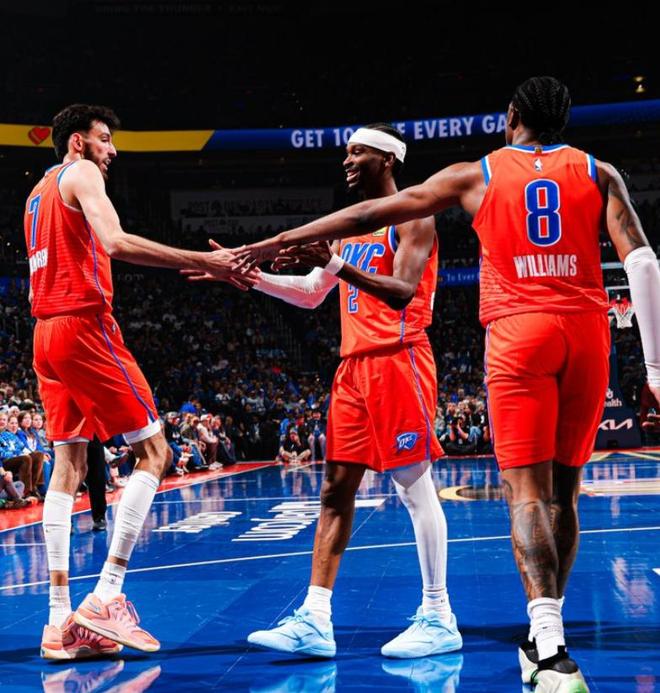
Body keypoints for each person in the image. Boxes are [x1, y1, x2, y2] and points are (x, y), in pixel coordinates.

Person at [238, 77, 660, 692]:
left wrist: (277, 241)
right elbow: (643, 261)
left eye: (357, 152)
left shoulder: (474, 175)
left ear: (511, 116)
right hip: (586, 327)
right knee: (564, 491)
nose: (348, 161)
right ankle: (543, 630)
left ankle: (533, 642)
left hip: (506, 333)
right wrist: (655, 370)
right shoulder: (600, 172)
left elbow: (371, 223)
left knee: (522, 493)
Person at [186, 123, 462, 659]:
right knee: (335, 491)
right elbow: (314, 293)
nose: (347, 160)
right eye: (346, 152)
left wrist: (333, 264)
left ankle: (439, 614)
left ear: (387, 159)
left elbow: (403, 292)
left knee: (413, 487)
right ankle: (315, 617)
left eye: (358, 152)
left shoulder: (414, 216)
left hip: (399, 358)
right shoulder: (346, 229)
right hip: (353, 368)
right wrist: (249, 279)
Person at [26, 103, 256, 661]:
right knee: (155, 452)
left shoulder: (35, 193)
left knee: (68, 465)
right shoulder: (81, 172)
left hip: (44, 334)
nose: (112, 150)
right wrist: (209, 263)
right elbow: (116, 242)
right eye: (104, 139)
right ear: (77, 142)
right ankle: (107, 596)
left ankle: (58, 623)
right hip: (82, 325)